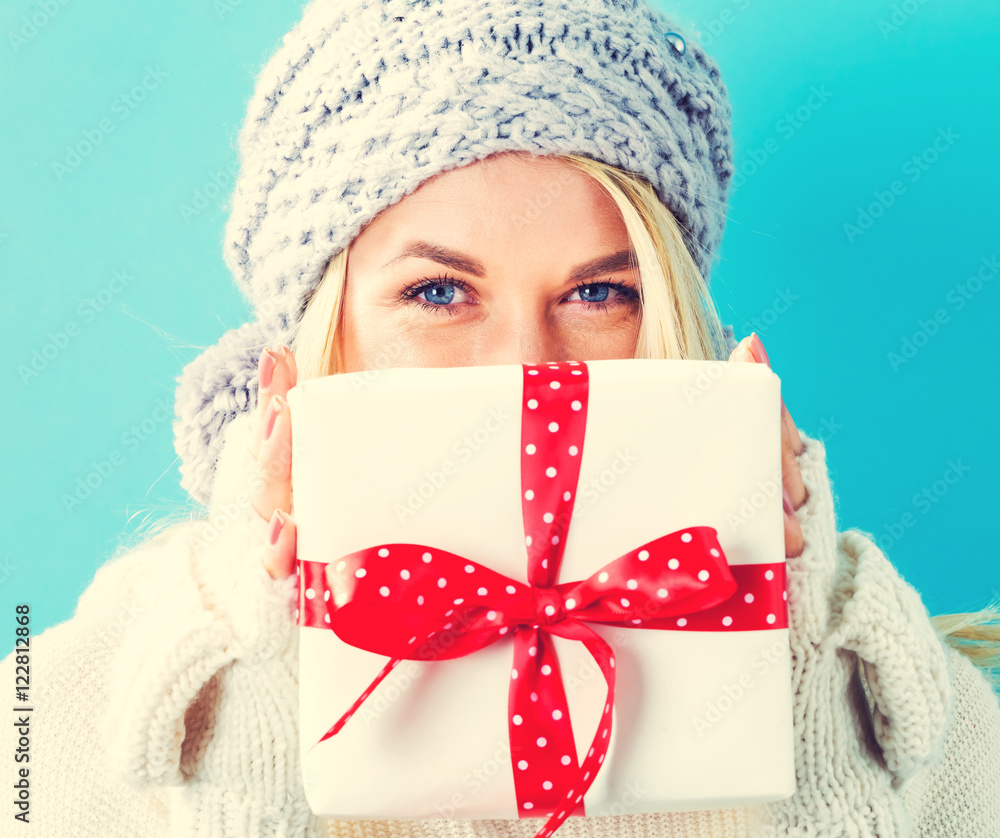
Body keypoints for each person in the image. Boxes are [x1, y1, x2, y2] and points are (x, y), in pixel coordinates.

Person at [4, 0, 999, 835]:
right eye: (439, 293)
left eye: (598, 293)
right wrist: (262, 681)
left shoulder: (889, 675)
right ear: (303, 346)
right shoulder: (74, 699)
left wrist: (796, 670)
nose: (527, 366)